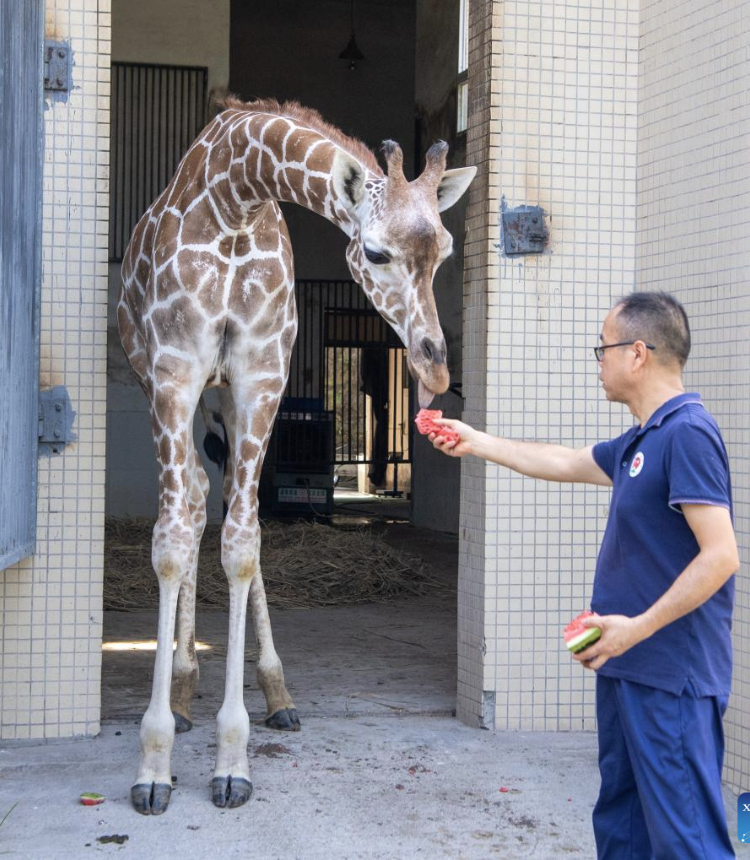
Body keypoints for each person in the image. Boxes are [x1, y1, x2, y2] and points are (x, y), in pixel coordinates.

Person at [430, 292, 738, 859]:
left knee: (685, 840)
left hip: (671, 678)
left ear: (638, 354)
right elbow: (566, 461)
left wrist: (637, 628)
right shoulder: (640, 440)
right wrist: (474, 441)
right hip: (626, 669)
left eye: (604, 348)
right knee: (622, 827)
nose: (598, 360)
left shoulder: (688, 433)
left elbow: (721, 556)